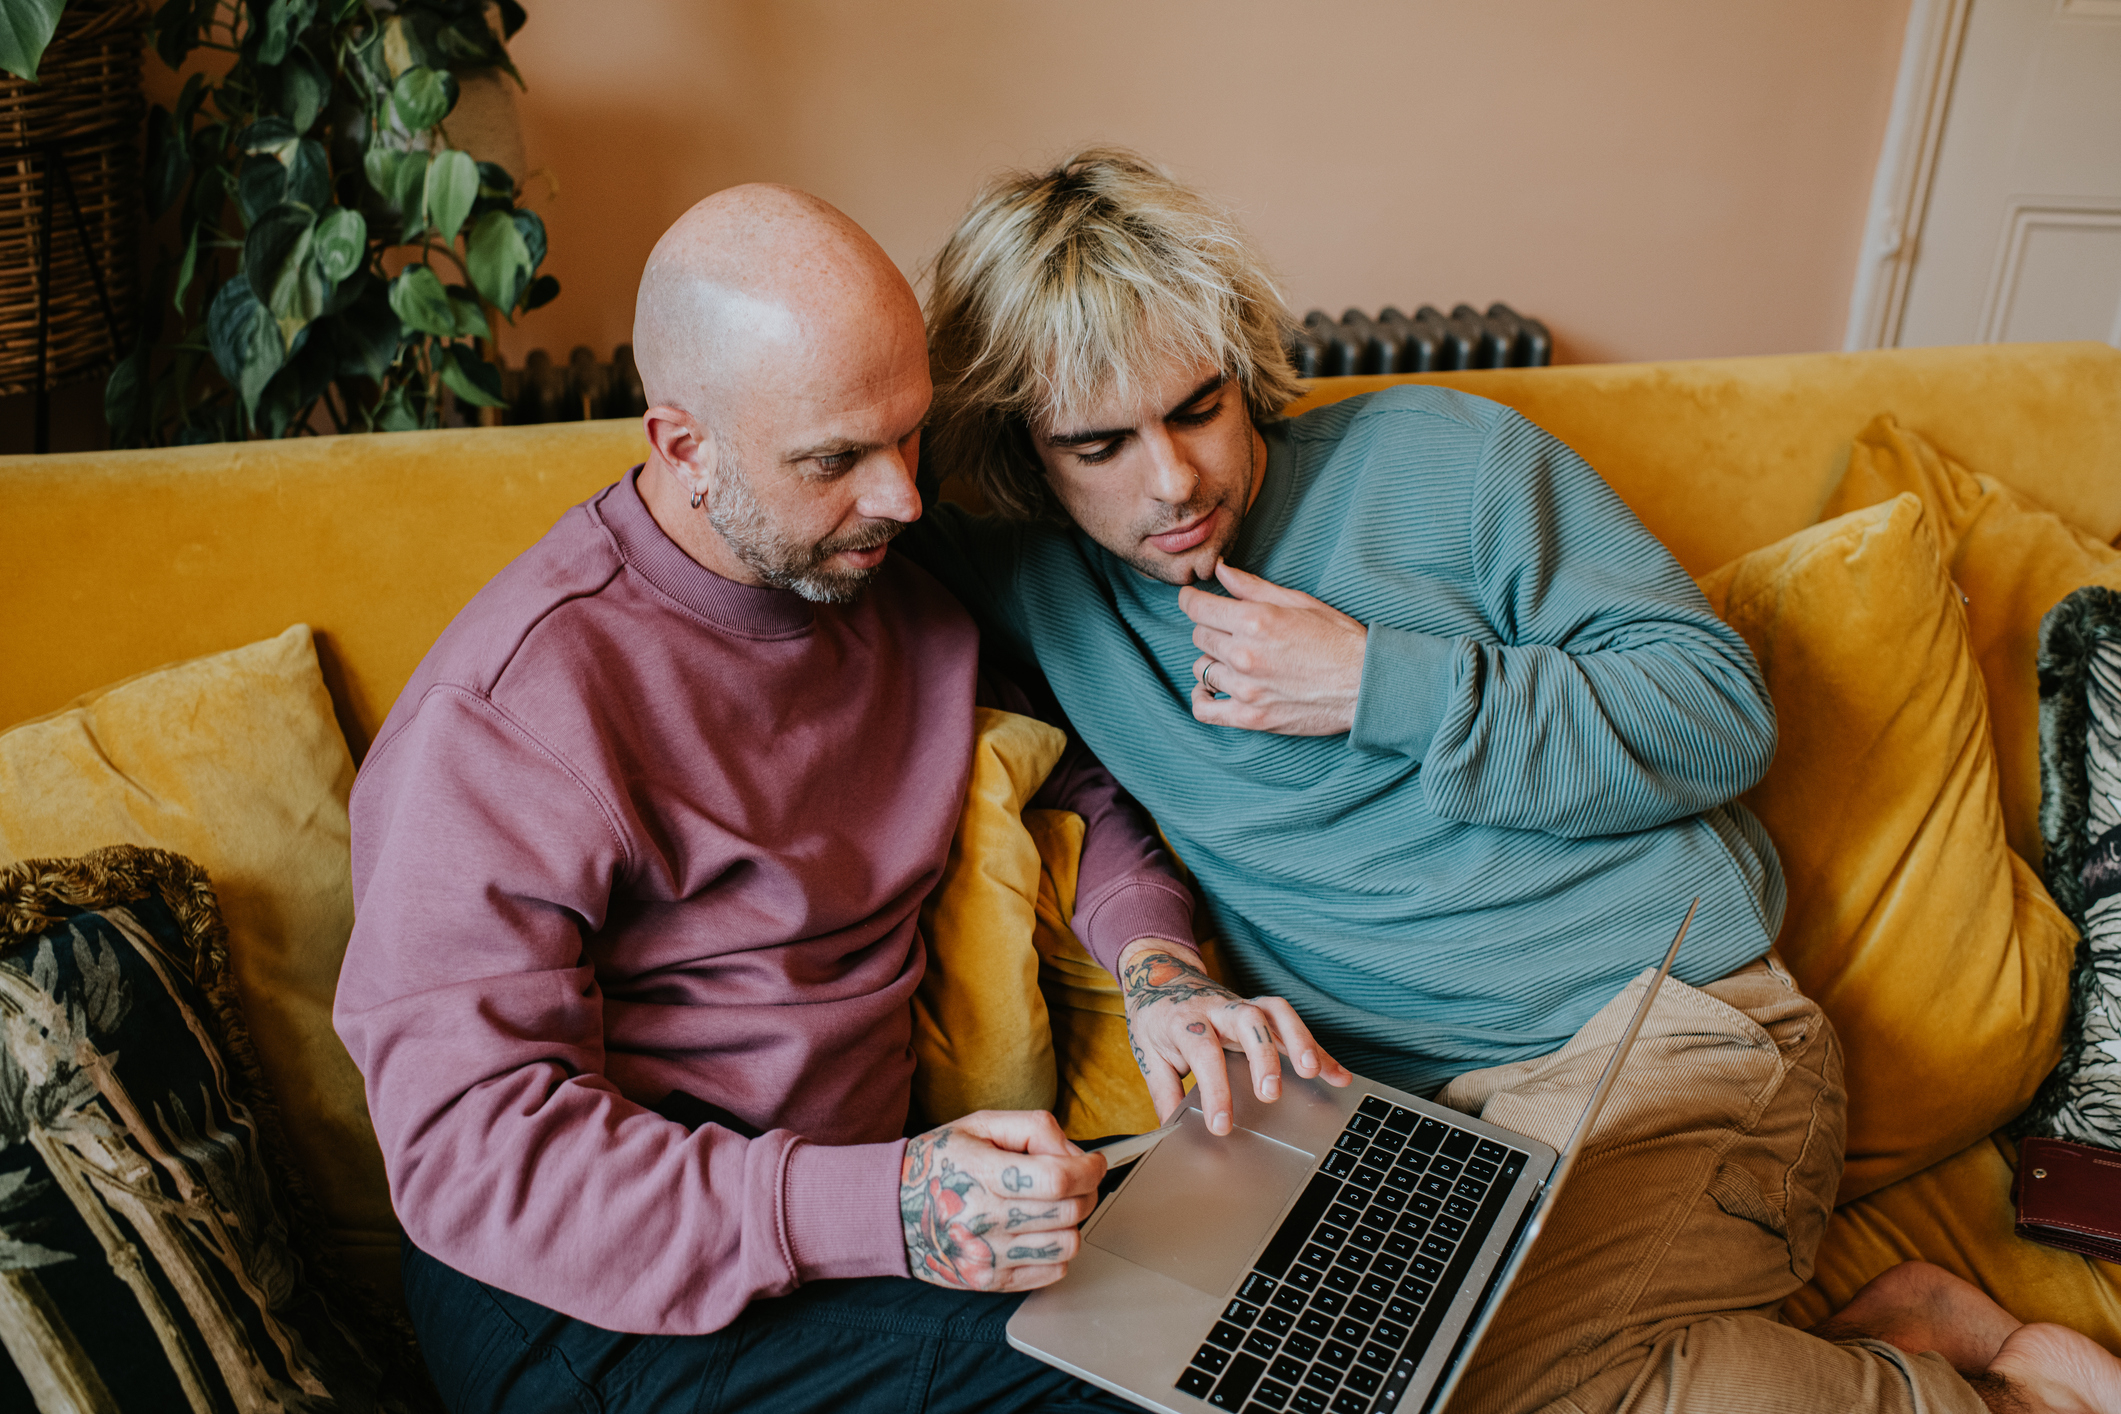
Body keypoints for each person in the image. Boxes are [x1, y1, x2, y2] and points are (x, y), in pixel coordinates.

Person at [904, 147, 2121, 1414]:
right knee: (1219, 1372)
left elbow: (1717, 716)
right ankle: (1899, 1327)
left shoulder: (1443, 461)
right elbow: (829, 499)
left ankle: (2020, 1391)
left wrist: (1378, 682)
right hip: (1385, 1120)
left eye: (1198, 408)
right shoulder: (1031, 578)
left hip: (1670, 1032)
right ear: (1024, 452)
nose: (1172, 480)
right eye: (1100, 443)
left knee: (1484, 1388)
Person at [331, 183, 1350, 1414]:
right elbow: (474, 1157)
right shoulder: (512, 709)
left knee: (1309, 1254)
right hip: (591, 1300)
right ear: (684, 447)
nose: (903, 499)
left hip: (860, 1229)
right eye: (835, 460)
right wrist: (886, 1205)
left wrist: (1159, 969)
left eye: (909, 435)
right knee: (1180, 1383)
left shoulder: (882, 586)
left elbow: (1065, 778)